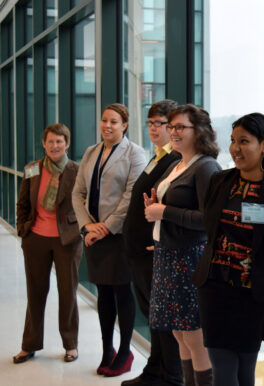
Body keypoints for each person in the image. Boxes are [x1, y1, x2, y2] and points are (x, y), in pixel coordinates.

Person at [193, 112, 264, 386]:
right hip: (215, 287)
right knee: (222, 371)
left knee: (246, 370)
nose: (235, 148)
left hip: (252, 294)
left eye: (244, 141)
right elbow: (210, 228)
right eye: (233, 140)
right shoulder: (220, 181)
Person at [144, 104, 220, 386]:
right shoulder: (179, 164)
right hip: (169, 255)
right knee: (179, 333)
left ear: (198, 131)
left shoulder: (206, 166)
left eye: (180, 127)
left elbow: (208, 220)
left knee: (194, 336)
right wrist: (157, 208)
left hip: (189, 258)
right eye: (171, 127)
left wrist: (163, 212)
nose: (173, 132)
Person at [72, 103, 147, 377]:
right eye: (104, 120)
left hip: (118, 236)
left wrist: (104, 227)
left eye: (114, 122)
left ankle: (125, 351)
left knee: (121, 292)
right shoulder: (91, 152)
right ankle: (107, 350)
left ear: (124, 125)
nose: (107, 125)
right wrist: (87, 227)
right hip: (93, 235)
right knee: (103, 294)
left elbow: (131, 196)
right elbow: (77, 193)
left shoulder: (135, 153)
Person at [121, 100, 184, 386]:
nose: (154, 129)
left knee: (163, 321)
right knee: (152, 318)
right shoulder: (158, 157)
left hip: (153, 253)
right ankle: (155, 370)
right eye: (150, 123)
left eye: (160, 123)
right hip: (140, 253)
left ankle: (169, 376)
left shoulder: (175, 161)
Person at [14, 123, 82, 364]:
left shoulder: (76, 170)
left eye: (59, 141)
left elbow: (84, 204)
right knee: (35, 293)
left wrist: (79, 231)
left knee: (68, 293)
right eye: (51, 141)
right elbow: (22, 203)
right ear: (44, 144)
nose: (55, 146)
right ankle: (29, 344)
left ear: (67, 144)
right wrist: (24, 229)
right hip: (36, 239)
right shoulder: (33, 170)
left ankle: (71, 345)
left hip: (67, 241)